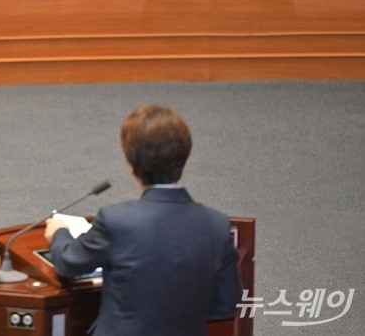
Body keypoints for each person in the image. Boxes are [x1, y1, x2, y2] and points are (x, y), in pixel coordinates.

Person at [44, 104, 242, 336]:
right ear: (184, 157)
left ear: (131, 165)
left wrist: (59, 232)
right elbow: (226, 304)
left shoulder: (117, 221)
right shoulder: (216, 225)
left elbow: (68, 262)